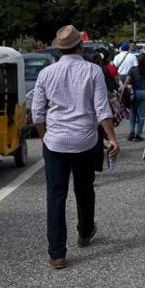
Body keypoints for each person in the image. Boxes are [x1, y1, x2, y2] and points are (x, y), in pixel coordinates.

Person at [31, 25, 119, 270]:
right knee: (84, 188)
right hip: (85, 140)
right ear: (81, 45)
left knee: (56, 197)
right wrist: (112, 138)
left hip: (55, 142)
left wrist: (45, 138)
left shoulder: (46, 74)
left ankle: (57, 254)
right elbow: (102, 109)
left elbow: (37, 114)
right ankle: (85, 231)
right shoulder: (93, 71)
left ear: (58, 49)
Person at [124, 51, 145, 141]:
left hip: (135, 93)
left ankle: (131, 133)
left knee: (133, 113)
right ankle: (138, 135)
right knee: (142, 115)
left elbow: (126, 82)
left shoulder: (133, 69)